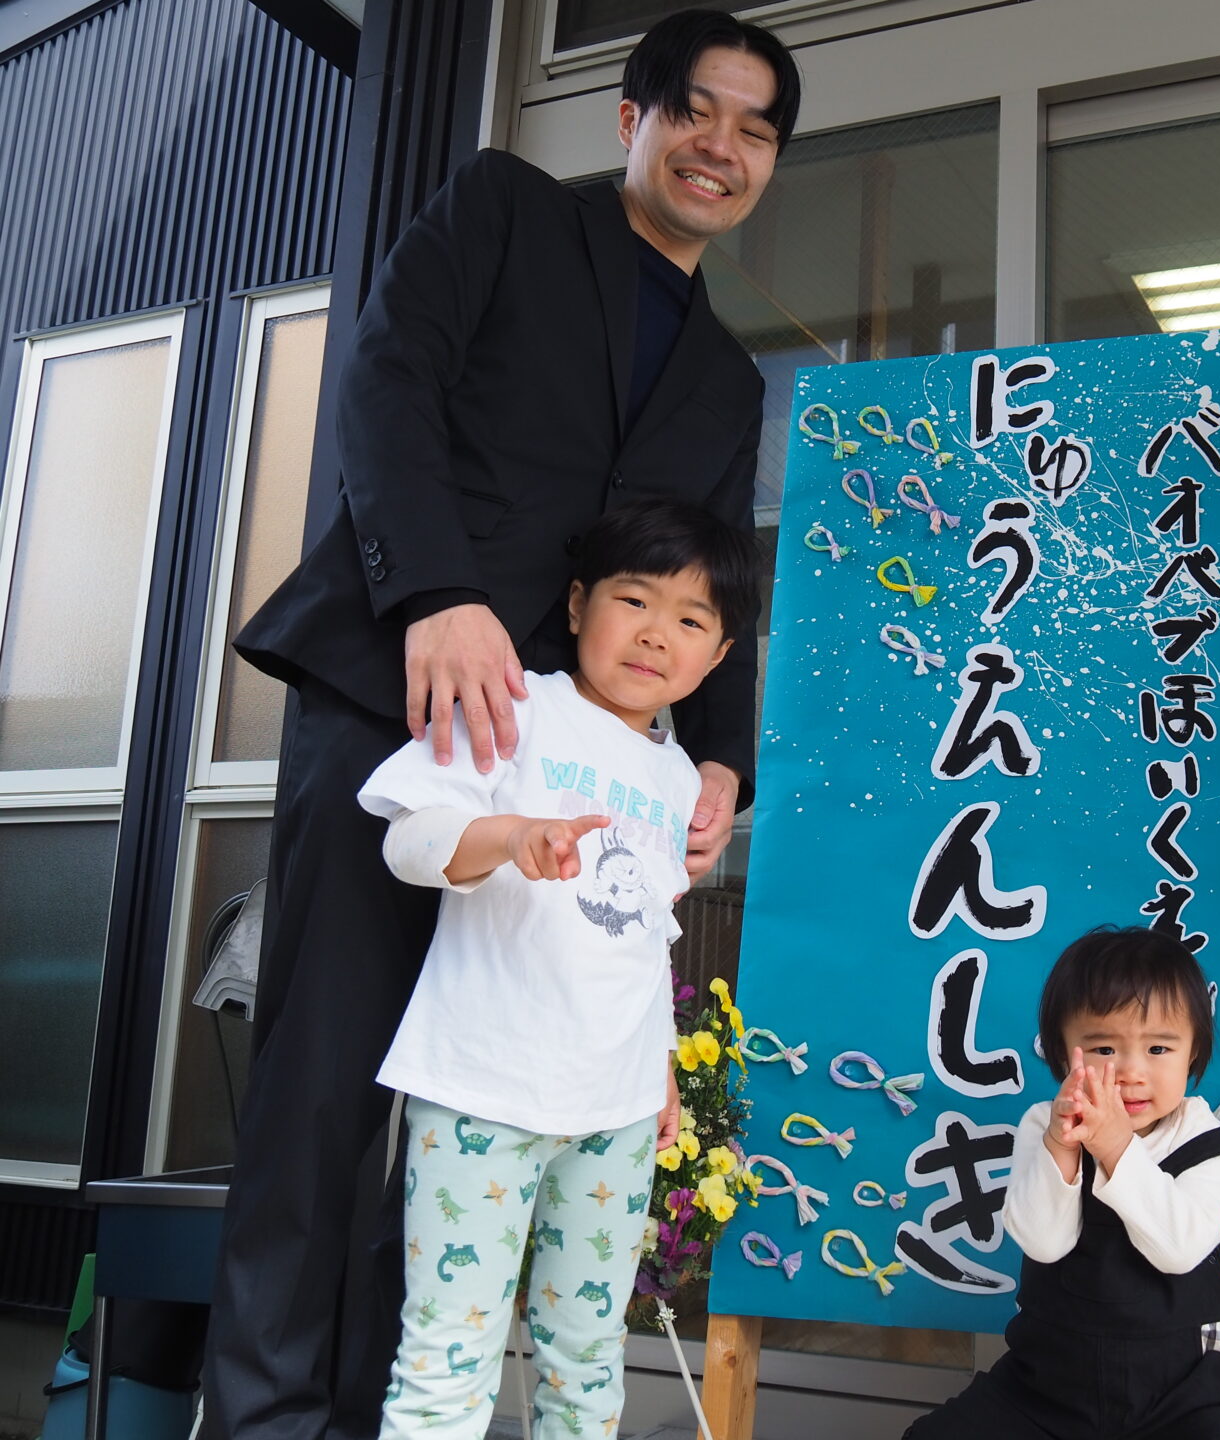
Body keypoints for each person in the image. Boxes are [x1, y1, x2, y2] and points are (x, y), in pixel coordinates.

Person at [202, 12, 801, 1437]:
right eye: (696, 110)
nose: (720, 147)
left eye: (756, 128)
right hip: (403, 696)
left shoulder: (728, 376)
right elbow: (385, 382)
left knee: (474, 1109)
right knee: (324, 1082)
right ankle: (271, 1418)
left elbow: (718, 566)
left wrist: (721, 752)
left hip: (573, 763)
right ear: (633, 119)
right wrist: (437, 591)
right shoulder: (503, 209)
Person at [358, 500, 754, 1434]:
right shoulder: (519, 707)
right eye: (634, 601)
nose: (656, 634)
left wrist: (660, 1068)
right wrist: (509, 837)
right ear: (578, 606)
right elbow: (407, 841)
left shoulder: (679, 779)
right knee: (448, 1354)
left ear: (719, 657)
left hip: (616, 1112)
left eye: (690, 620)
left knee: (588, 1355)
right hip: (483, 1088)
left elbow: (645, 938)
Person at [905, 927, 1220, 1440]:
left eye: (1159, 1047)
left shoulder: (1205, 1138)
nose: (1131, 1072)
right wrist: (1061, 1147)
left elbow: (1180, 1250)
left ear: (1193, 1053)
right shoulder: (1044, 1125)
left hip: (1179, 1389)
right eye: (1103, 1048)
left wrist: (1117, 1147)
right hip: (1046, 1382)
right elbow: (1043, 1242)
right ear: (1062, 1052)